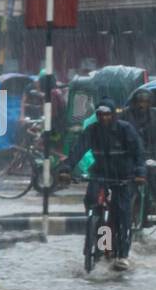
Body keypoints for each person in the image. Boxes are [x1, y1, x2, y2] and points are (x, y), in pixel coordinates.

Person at [57, 98, 147, 271]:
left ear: (113, 115)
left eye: (107, 114)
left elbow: (138, 153)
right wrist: (66, 168)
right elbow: (78, 150)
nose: (104, 118)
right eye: (100, 115)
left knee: (122, 213)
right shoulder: (92, 130)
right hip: (100, 175)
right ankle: (98, 237)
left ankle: (122, 254)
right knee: (92, 200)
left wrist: (140, 173)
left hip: (123, 177)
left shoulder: (125, 130)